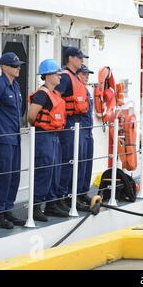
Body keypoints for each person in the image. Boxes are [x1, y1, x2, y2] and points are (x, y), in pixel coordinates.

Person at [0, 52, 26, 229]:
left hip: (15, 138)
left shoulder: (15, 86)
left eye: (18, 65)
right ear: (4, 67)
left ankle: (7, 208)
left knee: (13, 175)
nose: (18, 68)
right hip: (2, 138)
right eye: (14, 65)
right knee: (2, 175)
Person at [28, 59, 68, 221]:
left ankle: (51, 204)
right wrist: (39, 128)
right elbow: (31, 116)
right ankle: (36, 206)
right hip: (44, 136)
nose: (60, 77)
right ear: (48, 76)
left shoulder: (54, 94)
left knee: (54, 171)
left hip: (54, 136)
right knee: (44, 171)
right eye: (57, 74)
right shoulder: (41, 95)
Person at [55, 47, 90, 212]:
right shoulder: (65, 77)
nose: (82, 60)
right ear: (70, 58)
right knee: (68, 162)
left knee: (78, 162)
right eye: (79, 57)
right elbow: (56, 98)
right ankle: (61, 198)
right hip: (68, 124)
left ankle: (72, 195)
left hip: (78, 124)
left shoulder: (75, 77)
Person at [77, 65, 94, 205]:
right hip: (80, 130)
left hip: (89, 131)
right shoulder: (77, 91)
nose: (86, 76)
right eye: (84, 74)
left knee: (87, 163)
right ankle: (75, 194)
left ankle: (83, 192)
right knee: (79, 163)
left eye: (88, 74)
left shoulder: (87, 91)